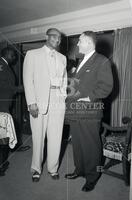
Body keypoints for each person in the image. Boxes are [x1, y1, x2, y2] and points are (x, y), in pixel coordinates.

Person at [65, 31, 113, 192]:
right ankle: (79, 170)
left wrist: (90, 98)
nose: (77, 44)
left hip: (90, 112)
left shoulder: (101, 60)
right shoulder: (81, 60)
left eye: (80, 41)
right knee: (77, 144)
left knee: (91, 146)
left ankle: (92, 177)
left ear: (90, 43)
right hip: (75, 112)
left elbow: (107, 86)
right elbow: (80, 84)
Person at [23, 28, 67, 182]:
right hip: (38, 102)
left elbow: (64, 80)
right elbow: (28, 79)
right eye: (54, 36)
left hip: (57, 101)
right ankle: (36, 168)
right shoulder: (32, 54)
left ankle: (53, 168)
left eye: (60, 38)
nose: (57, 40)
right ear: (46, 37)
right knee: (38, 137)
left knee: (56, 136)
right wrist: (31, 102)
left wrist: (63, 98)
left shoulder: (63, 58)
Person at [0, 46, 28, 176]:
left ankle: (13, 148)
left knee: (4, 133)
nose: (15, 57)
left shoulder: (5, 65)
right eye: (13, 55)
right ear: (7, 54)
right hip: (2, 106)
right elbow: (5, 85)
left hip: (5, 104)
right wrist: (19, 88)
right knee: (3, 135)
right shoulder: (1, 65)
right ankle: (2, 164)